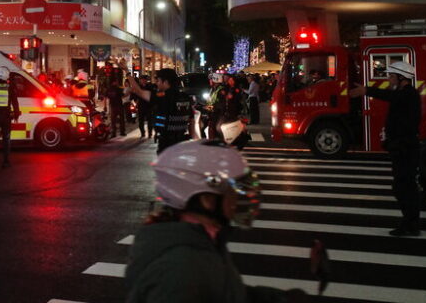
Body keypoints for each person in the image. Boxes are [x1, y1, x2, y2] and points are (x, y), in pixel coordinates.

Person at [125, 140, 306, 303]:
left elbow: (225, 293)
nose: (239, 198)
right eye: (232, 190)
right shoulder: (182, 270)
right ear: (207, 199)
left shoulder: (200, 241)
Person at [349, 61, 421, 236]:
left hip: (406, 148)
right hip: (402, 147)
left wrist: (367, 90)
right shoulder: (403, 93)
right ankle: (410, 222)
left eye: (391, 76)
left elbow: (391, 97)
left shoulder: (408, 94)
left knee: (403, 187)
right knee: (403, 186)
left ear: (401, 77)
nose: (389, 79)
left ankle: (410, 224)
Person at [128, 68, 193, 154]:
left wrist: (127, 72)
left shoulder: (163, 96)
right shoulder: (185, 97)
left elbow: (139, 91)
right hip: (183, 143)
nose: (156, 83)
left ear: (165, 82)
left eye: (158, 81)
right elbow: (192, 120)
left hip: (167, 144)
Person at [133, 75, 155, 139]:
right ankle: (142, 133)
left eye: (143, 79)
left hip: (148, 106)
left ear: (146, 80)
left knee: (149, 121)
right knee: (140, 121)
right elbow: (135, 96)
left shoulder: (150, 86)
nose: (142, 80)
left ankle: (150, 133)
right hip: (141, 106)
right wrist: (136, 102)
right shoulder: (139, 87)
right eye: (141, 79)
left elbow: (153, 95)